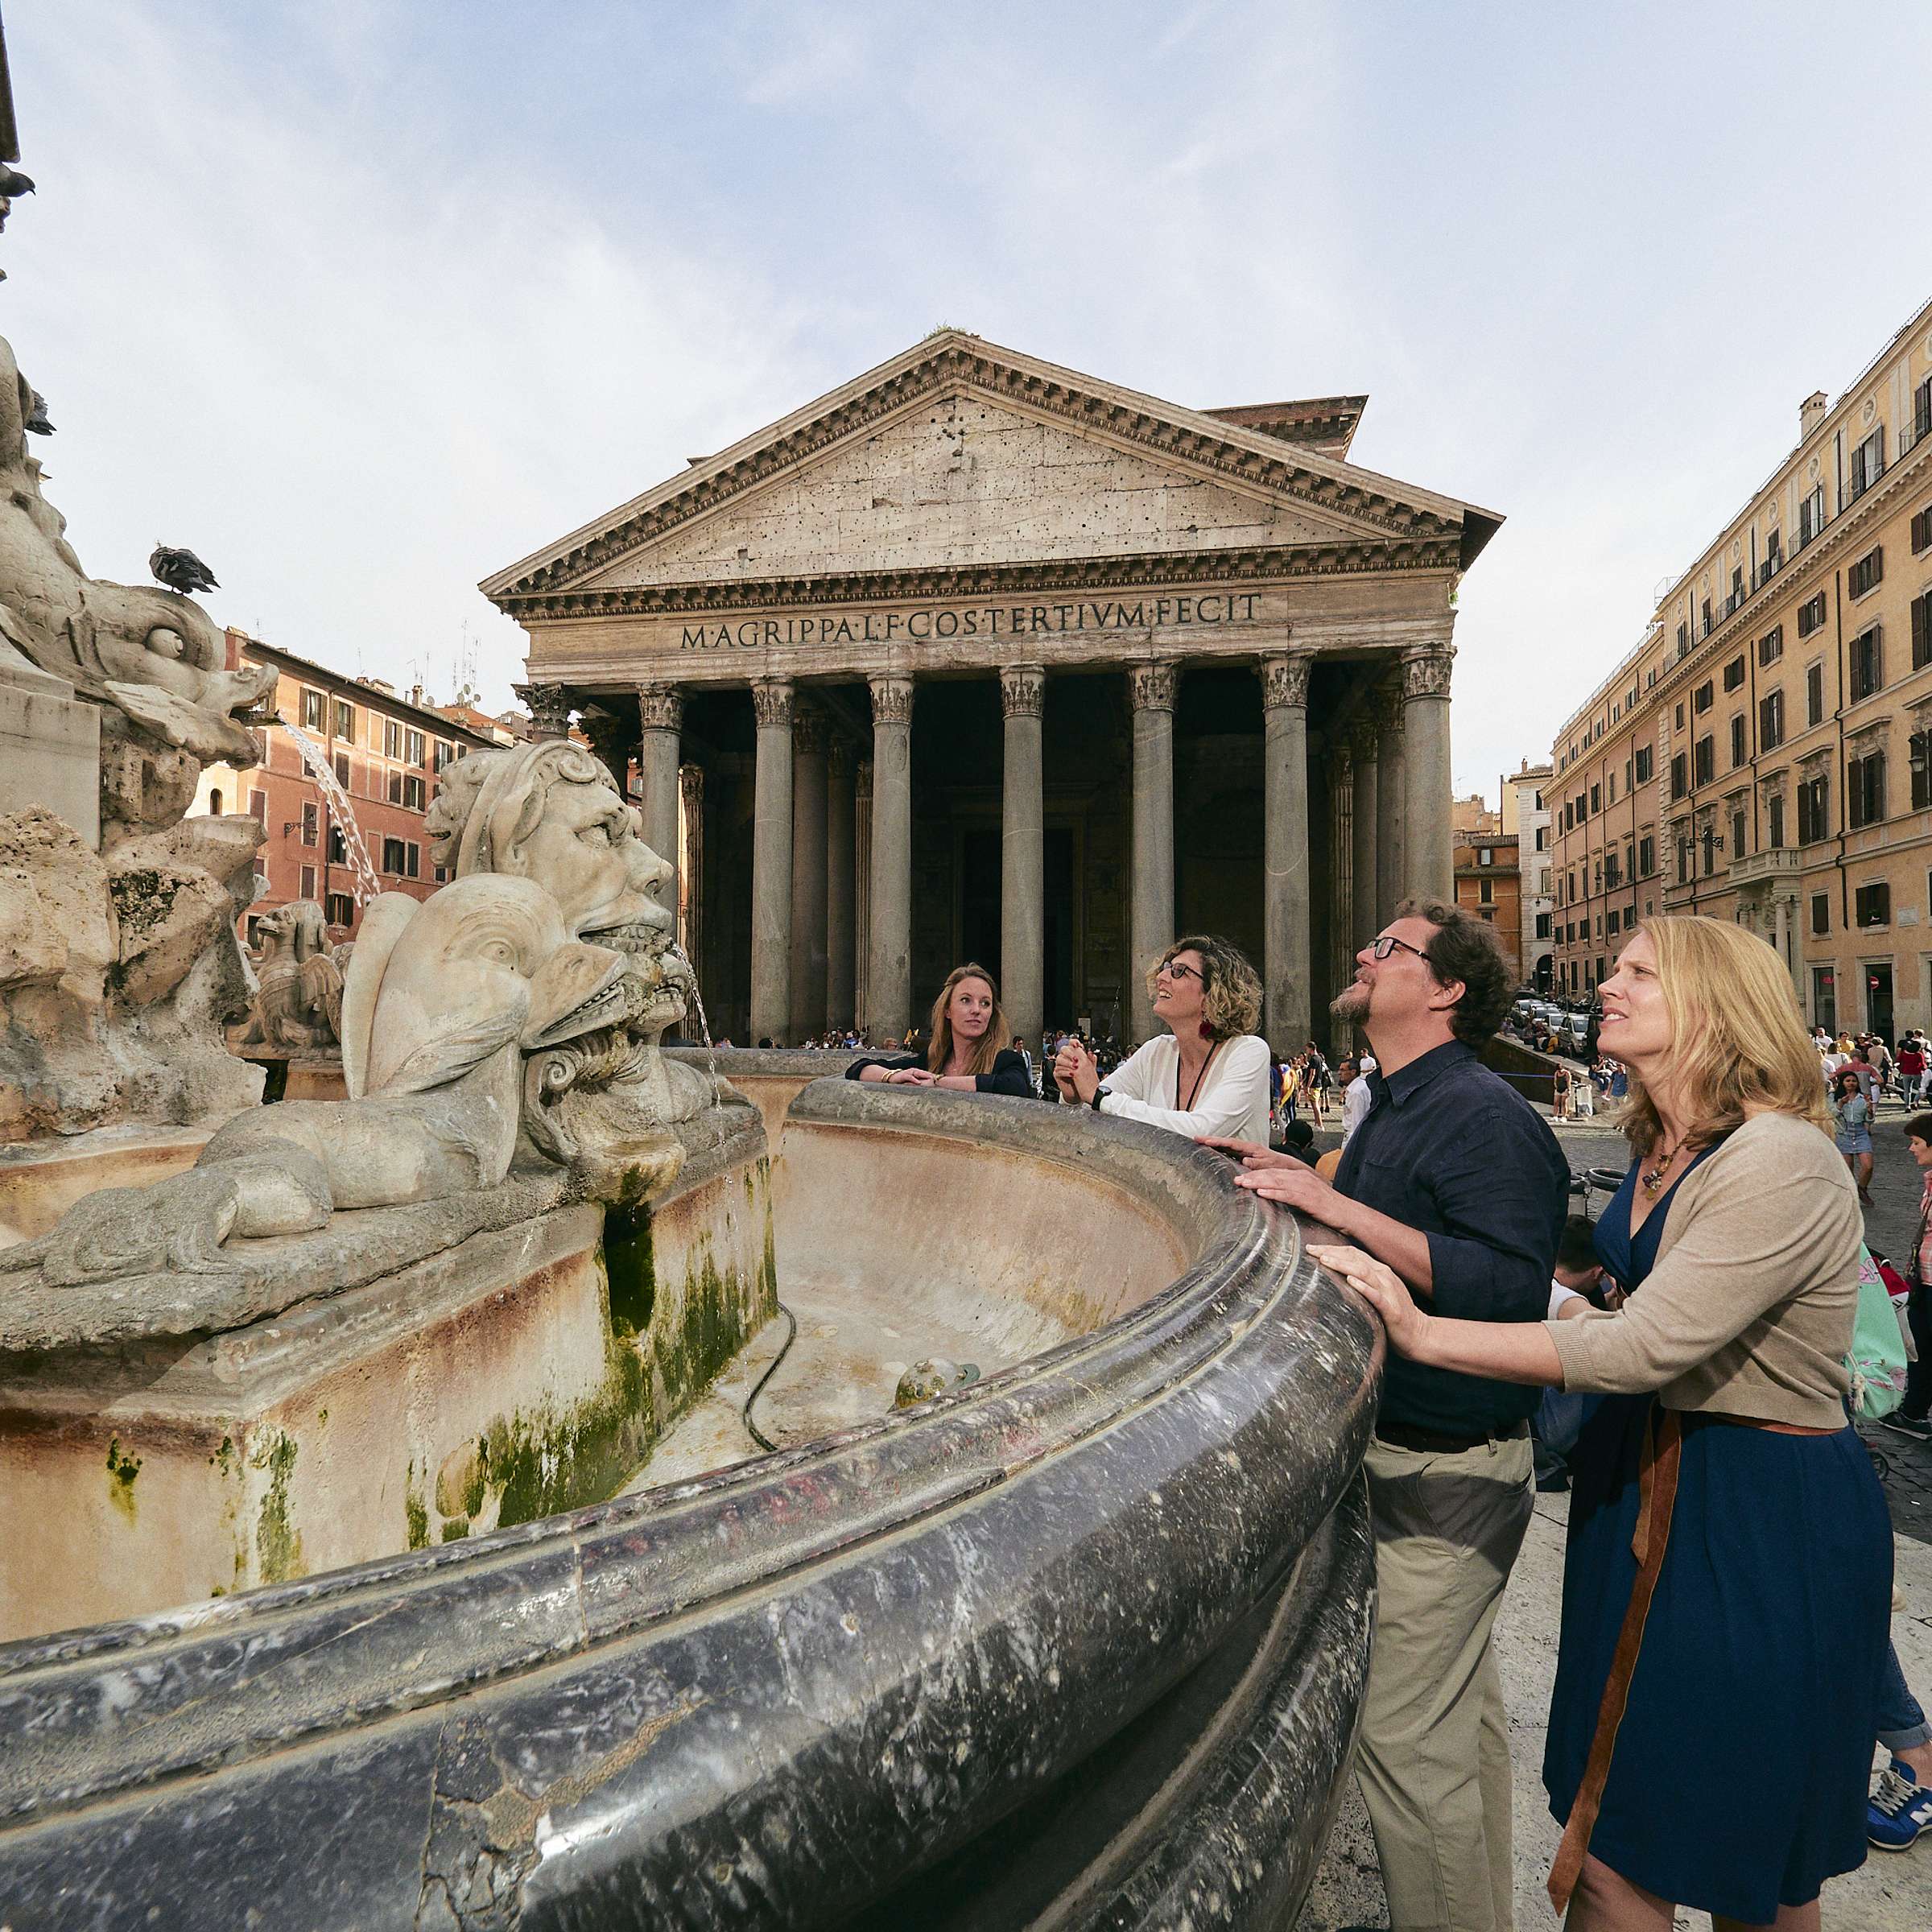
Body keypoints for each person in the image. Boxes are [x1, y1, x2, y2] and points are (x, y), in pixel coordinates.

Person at [1314, 916, 1889, 1931]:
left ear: (1715, 1006)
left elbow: (1647, 1347)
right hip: (1647, 1485)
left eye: (1638, 973)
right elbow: (1626, 1318)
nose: (1607, 986)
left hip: (1754, 1511)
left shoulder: (1783, 1158)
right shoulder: (1664, 1144)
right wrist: (1525, 1293)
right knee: (1626, 1839)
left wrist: (1423, 1326)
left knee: (1738, 1863)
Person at [1208, 898, 1569, 1932]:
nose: (1364, 956)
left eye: (1388, 948)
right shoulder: (1403, 1102)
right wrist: (1303, 1197)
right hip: (1413, 1460)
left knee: (1407, 1747)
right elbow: (1389, 1248)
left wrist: (1337, 1207)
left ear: (1446, 989)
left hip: (1450, 1470)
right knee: (1459, 1729)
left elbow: (1509, 1286)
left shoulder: (1482, 1114)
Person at [1053, 935, 1270, 1142]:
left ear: (1213, 994)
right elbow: (1089, 1112)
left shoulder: (1249, 1051)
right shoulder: (1156, 1051)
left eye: (1179, 971)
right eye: (1165, 968)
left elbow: (1202, 1132)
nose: (1160, 977)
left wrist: (1099, 1096)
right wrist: (1074, 1095)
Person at [844, 964, 1034, 1098]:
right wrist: (893, 1076)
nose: (977, 1010)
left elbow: (1014, 1087)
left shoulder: (1006, 1060)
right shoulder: (932, 1059)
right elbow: (858, 1069)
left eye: (985, 1003)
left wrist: (937, 1082)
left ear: (992, 1014)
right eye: (966, 1000)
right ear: (947, 1011)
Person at [1532, 1216, 1616, 1494]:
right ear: (1598, 1272)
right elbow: (1616, 1339)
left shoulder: (1533, 1275)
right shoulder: (1557, 1295)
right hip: (1546, 1429)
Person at [1831, 1065, 1876, 1206]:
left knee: (1868, 1166)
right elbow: (1830, 1115)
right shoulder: (1833, 1097)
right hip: (1843, 1133)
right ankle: (1850, 1195)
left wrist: (1870, 1112)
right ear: (1843, 1083)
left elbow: (1869, 1120)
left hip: (1860, 1132)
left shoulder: (1862, 1098)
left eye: (1854, 1081)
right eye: (1848, 1081)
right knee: (1847, 1168)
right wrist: (1840, 1104)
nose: (1851, 1083)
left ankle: (1862, 1189)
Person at [1337, 1055, 1369, 1145]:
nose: (1339, 1073)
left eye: (1343, 1070)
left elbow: (1357, 1123)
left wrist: (1350, 1147)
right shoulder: (1359, 1086)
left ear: (1353, 1072)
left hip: (1352, 1139)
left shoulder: (1356, 1092)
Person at [1898, 1037, 1926, 1112]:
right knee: (1921, 1088)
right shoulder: (1919, 1054)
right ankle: (1915, 1101)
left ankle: (1907, 1106)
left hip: (1906, 1072)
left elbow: (1899, 1060)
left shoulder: (1904, 1053)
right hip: (1916, 1072)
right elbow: (1923, 1065)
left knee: (1907, 1091)